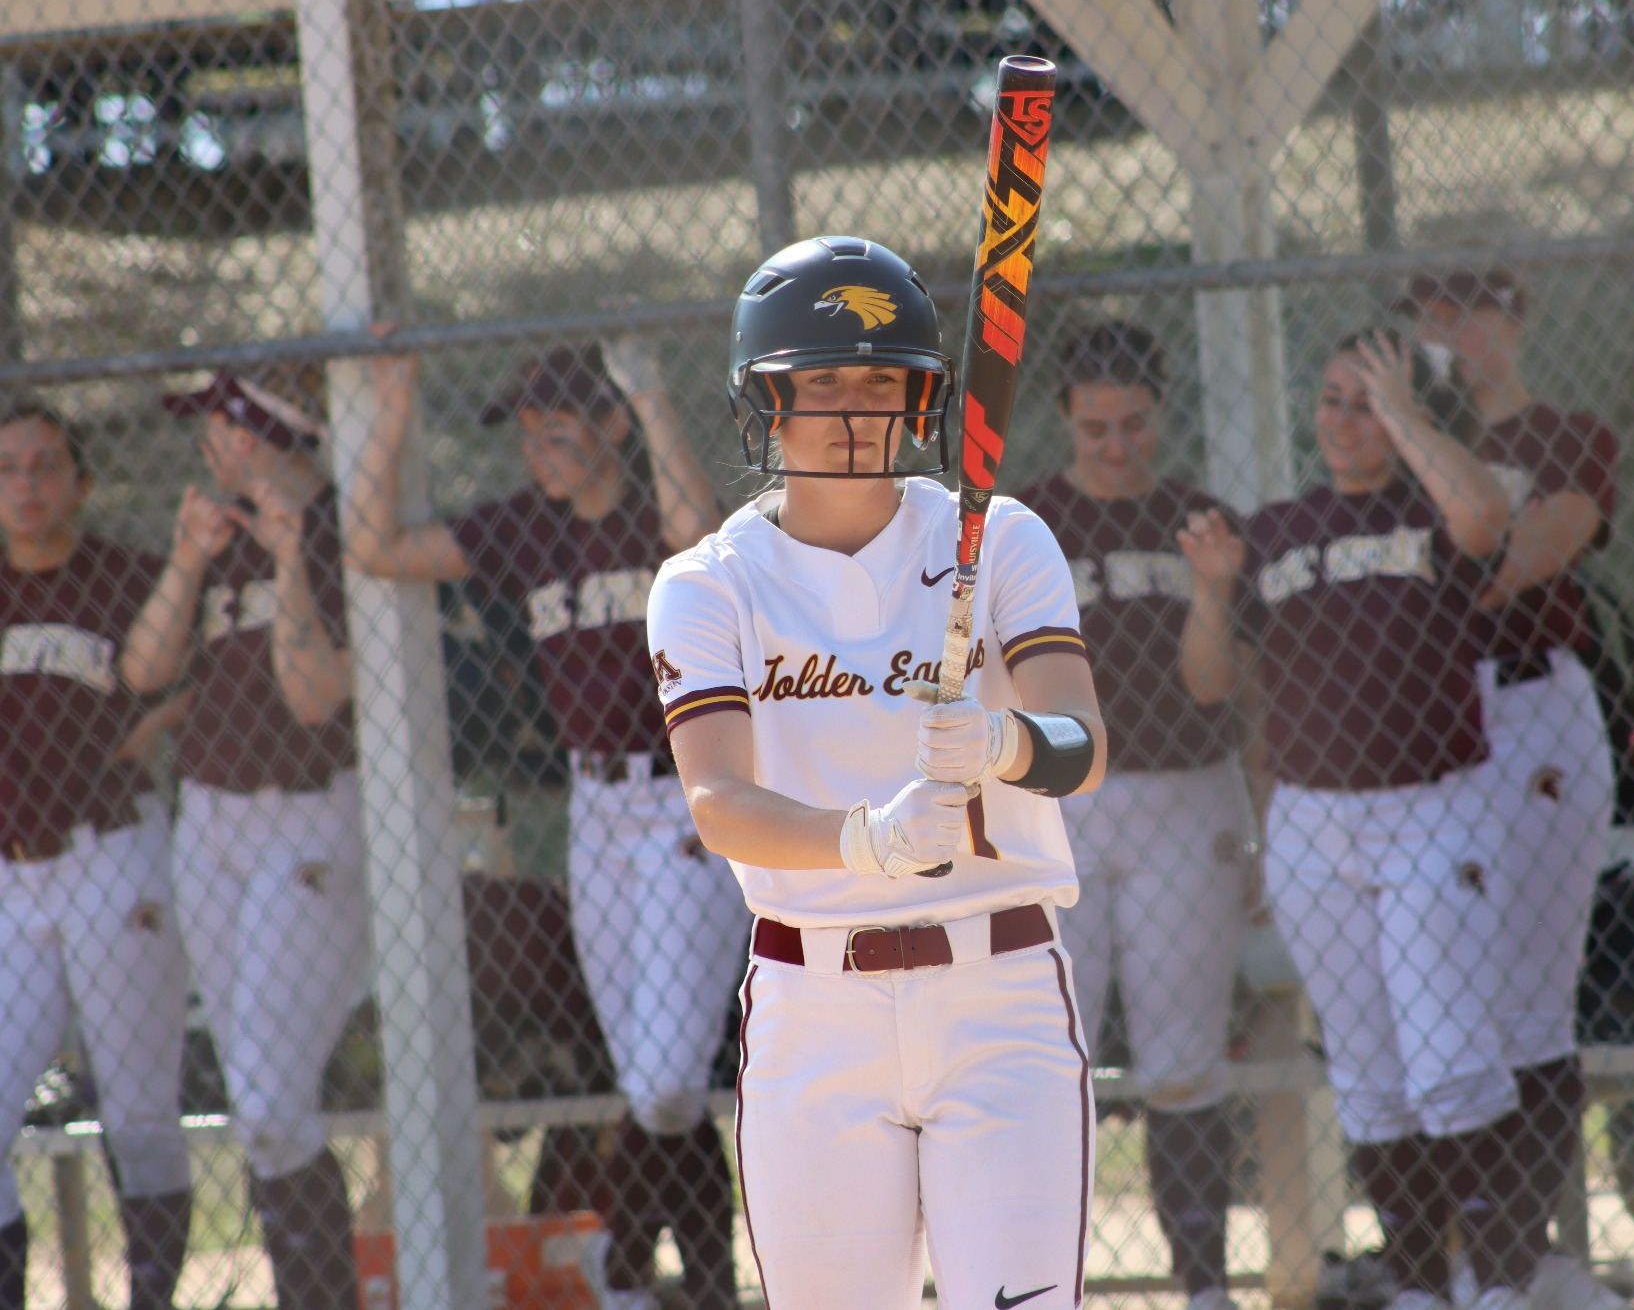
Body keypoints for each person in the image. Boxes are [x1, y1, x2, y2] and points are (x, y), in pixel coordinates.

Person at [647, 234, 1106, 1310]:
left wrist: (1006, 744)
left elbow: (1081, 747)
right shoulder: (708, 583)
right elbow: (717, 802)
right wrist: (868, 836)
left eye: (878, 380)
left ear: (920, 399)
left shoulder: (997, 540)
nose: (854, 411)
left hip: (999, 995)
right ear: (766, 399)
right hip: (814, 1010)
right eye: (820, 381)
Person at [349, 339, 739, 1310]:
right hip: (594, 809)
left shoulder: (660, 506)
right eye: (526, 436)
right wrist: (392, 409)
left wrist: (650, 399)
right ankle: (705, 1281)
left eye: (558, 432)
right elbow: (373, 547)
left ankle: (615, 1262)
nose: (538, 453)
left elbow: (700, 545)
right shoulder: (523, 527)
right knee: (653, 1072)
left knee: (659, 1080)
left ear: (610, 426)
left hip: (689, 794)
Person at [1180, 329, 1520, 1310]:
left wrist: (1406, 412)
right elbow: (1208, 682)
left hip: (1429, 810)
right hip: (1311, 824)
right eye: (1331, 398)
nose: (1342, 420)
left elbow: (1485, 512)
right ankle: (1419, 1281)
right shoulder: (1277, 530)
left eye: (1364, 402)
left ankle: (1492, 1283)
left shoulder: (1434, 503)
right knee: (1370, 1075)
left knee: (1450, 1061)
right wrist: (1208, 589)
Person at [1398, 268, 1622, 1310]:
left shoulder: (1568, 434)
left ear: (1516, 318)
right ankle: (1471, 1259)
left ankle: (1525, 1260)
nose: (1453, 330)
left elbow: (1526, 554)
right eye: (1432, 313)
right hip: (1413, 727)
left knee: (1532, 1000)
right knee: (1445, 1002)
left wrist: (1439, 571)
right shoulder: (1397, 445)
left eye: (1475, 308)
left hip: (1529, 710)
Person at [1014, 322, 1249, 1310]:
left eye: (1134, 425)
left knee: (1181, 1060)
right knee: (1037, 1054)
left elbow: (1210, 687)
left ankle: (1201, 1285)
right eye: (1096, 425)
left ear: (1159, 416)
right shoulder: (1021, 523)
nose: (1116, 445)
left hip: (1182, 792)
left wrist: (1209, 587)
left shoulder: (1198, 517)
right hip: (1055, 802)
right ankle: (1028, 1281)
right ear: (1064, 414)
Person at [121, 367, 367, 1310]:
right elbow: (143, 670)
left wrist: (294, 556)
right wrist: (189, 559)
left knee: (267, 1104)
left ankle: (322, 1294)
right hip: (209, 823)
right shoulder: (217, 535)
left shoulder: (342, 526)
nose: (207, 447)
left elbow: (313, 698)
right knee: (262, 1098)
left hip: (305, 814)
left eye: (218, 428)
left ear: (262, 432)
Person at [0, 400, 193, 1310]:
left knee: (141, 1108)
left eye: (45, 465)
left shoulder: (123, 576)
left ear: (81, 481)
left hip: (112, 850)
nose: (26, 485)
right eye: (7, 468)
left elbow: (195, 680)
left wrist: (146, 729)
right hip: (10, 872)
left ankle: (151, 1299)